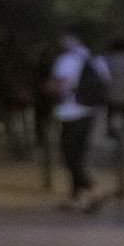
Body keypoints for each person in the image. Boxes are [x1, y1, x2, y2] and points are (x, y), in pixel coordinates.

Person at [48, 32, 110, 211]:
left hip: (70, 112)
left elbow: (62, 84)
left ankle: (94, 189)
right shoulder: (95, 59)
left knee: (70, 156)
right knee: (80, 155)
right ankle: (76, 196)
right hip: (90, 111)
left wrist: (50, 87)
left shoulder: (67, 59)